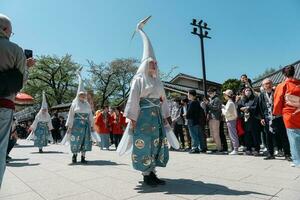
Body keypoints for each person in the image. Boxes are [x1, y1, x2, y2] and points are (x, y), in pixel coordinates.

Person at [117, 16, 176, 186]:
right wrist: (132, 119)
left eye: (155, 63)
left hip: (156, 116)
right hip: (142, 116)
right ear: (145, 65)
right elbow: (133, 99)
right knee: (144, 143)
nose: (154, 65)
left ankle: (153, 172)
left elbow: (163, 100)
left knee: (156, 143)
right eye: (151, 63)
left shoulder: (158, 81)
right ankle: (145, 173)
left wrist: (166, 116)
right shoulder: (138, 80)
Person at [0, 13, 35, 187]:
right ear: (5, 29)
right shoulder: (15, 50)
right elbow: (21, 82)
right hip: (3, 105)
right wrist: (27, 67)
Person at [65, 70, 94, 164]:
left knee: (85, 141)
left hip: (85, 125)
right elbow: (71, 115)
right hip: (76, 126)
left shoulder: (87, 105)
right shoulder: (74, 104)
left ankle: (83, 157)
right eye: (81, 95)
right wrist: (69, 126)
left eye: (84, 95)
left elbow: (90, 115)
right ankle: (74, 156)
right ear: (78, 95)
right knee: (76, 141)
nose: (83, 97)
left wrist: (92, 125)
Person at [273, 65, 300, 167]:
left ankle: (297, 161)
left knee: (293, 137)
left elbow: (278, 99)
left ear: (284, 74)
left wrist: (277, 112)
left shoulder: (283, 85)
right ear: (294, 72)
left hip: (290, 114)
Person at [259, 78, 291, 161]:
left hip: (278, 117)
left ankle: (287, 154)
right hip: (267, 118)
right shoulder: (262, 95)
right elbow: (260, 107)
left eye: (269, 83)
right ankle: (271, 154)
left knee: (283, 136)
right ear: (263, 86)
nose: (268, 85)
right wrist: (261, 118)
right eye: (266, 84)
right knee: (268, 137)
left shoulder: (277, 92)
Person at [238, 87, 260, 156]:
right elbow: (239, 107)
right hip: (245, 120)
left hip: (254, 119)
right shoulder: (242, 100)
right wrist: (242, 109)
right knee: (247, 135)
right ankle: (248, 148)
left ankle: (257, 149)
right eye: (246, 90)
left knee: (255, 135)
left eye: (249, 90)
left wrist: (248, 108)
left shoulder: (255, 98)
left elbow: (256, 107)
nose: (248, 91)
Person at [222, 89, 239, 155]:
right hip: (231, 120)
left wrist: (222, 109)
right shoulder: (230, 102)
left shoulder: (230, 103)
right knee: (232, 135)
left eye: (225, 95)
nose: (224, 96)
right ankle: (234, 148)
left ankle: (235, 149)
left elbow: (226, 113)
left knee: (233, 135)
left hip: (231, 120)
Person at [205, 87, 223, 152]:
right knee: (212, 134)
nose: (209, 94)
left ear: (214, 92)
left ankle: (219, 148)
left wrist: (208, 103)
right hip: (211, 118)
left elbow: (215, 108)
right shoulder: (212, 99)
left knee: (216, 133)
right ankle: (216, 147)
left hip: (215, 118)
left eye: (210, 93)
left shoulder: (217, 99)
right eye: (209, 93)